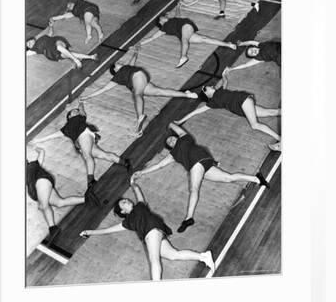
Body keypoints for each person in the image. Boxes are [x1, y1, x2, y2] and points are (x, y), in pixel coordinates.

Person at [131, 122, 269, 233]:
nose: (172, 140)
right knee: (228, 178)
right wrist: (143, 172)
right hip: (202, 165)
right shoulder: (173, 155)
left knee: (194, 189)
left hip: (197, 161)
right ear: (169, 147)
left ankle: (189, 218)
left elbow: (176, 128)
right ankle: (257, 178)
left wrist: (169, 124)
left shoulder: (185, 138)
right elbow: (159, 165)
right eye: (170, 142)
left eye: (172, 138)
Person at [79, 179, 215, 281]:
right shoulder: (128, 222)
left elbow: (138, 193)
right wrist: (90, 232)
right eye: (124, 203)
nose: (127, 201)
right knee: (173, 255)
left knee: (154, 260)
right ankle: (203, 256)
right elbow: (108, 230)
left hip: (152, 232)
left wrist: (133, 184)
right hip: (155, 233)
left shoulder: (139, 206)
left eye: (126, 199)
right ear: (122, 211)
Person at [80, 45, 197, 136]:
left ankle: (140, 117)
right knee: (160, 91)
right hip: (141, 81)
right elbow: (103, 89)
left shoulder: (126, 69)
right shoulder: (117, 77)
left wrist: (136, 52)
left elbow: (132, 61)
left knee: (137, 95)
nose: (120, 62)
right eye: (117, 64)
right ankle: (186, 95)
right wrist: (89, 96)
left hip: (138, 76)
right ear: (115, 71)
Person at [31, 102, 131, 206]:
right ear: (69, 116)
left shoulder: (78, 120)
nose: (77, 111)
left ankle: (91, 181)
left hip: (83, 134)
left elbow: (81, 110)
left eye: (77, 111)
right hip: (87, 136)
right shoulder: (69, 126)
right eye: (74, 111)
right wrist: (38, 140)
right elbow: (53, 135)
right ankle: (124, 162)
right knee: (103, 154)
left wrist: (80, 104)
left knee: (87, 156)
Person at [175, 85, 281, 151]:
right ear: (207, 94)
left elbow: (224, 82)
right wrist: (180, 120)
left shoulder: (219, 91)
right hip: (244, 103)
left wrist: (226, 73)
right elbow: (196, 112)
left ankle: (280, 141)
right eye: (207, 88)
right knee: (270, 112)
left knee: (255, 125)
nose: (211, 85)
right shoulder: (213, 102)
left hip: (243, 101)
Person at [26, 144, 85, 242]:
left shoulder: (32, 166)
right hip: (43, 182)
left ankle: (53, 228)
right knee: (59, 203)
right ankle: (87, 198)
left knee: (43, 206)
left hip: (41, 182)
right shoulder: (35, 164)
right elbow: (42, 151)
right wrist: (35, 148)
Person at [140, 13, 236, 68]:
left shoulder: (172, 20)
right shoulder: (163, 29)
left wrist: (178, 7)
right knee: (204, 39)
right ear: (161, 22)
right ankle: (228, 44)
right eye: (163, 17)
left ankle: (184, 57)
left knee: (184, 39)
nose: (166, 16)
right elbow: (152, 38)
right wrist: (139, 44)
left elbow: (178, 15)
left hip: (185, 25)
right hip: (183, 31)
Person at [26, 24, 98, 69]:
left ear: (32, 39)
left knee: (59, 47)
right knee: (70, 54)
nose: (30, 44)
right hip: (52, 53)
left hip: (55, 41)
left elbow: (50, 34)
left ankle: (76, 60)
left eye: (29, 42)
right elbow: (26, 54)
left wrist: (51, 26)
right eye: (28, 45)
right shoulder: (34, 50)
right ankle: (91, 57)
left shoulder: (42, 38)